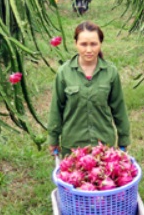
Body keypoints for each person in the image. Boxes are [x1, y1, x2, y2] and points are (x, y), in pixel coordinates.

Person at [48, 21, 130, 157]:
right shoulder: (64, 73)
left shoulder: (111, 72)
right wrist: (53, 139)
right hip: (73, 146)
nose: (89, 50)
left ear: (100, 44)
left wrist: (123, 139)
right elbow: (56, 108)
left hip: (104, 145)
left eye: (93, 44)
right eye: (83, 44)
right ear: (75, 43)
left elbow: (119, 108)